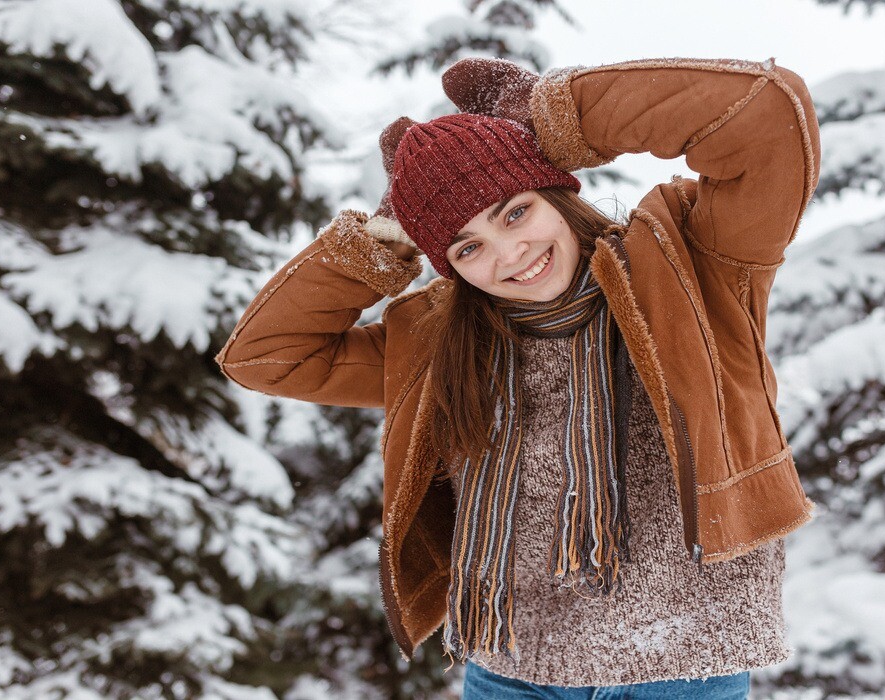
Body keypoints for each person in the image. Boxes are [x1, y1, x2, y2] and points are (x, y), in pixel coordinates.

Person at [215, 54, 822, 698]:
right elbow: (265, 355)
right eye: (466, 246)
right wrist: (392, 233)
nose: (511, 254)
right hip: (510, 665)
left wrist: (558, 121)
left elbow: (767, 113)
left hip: (680, 656)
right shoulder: (437, 344)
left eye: (514, 211)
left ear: (555, 192)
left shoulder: (692, 265)